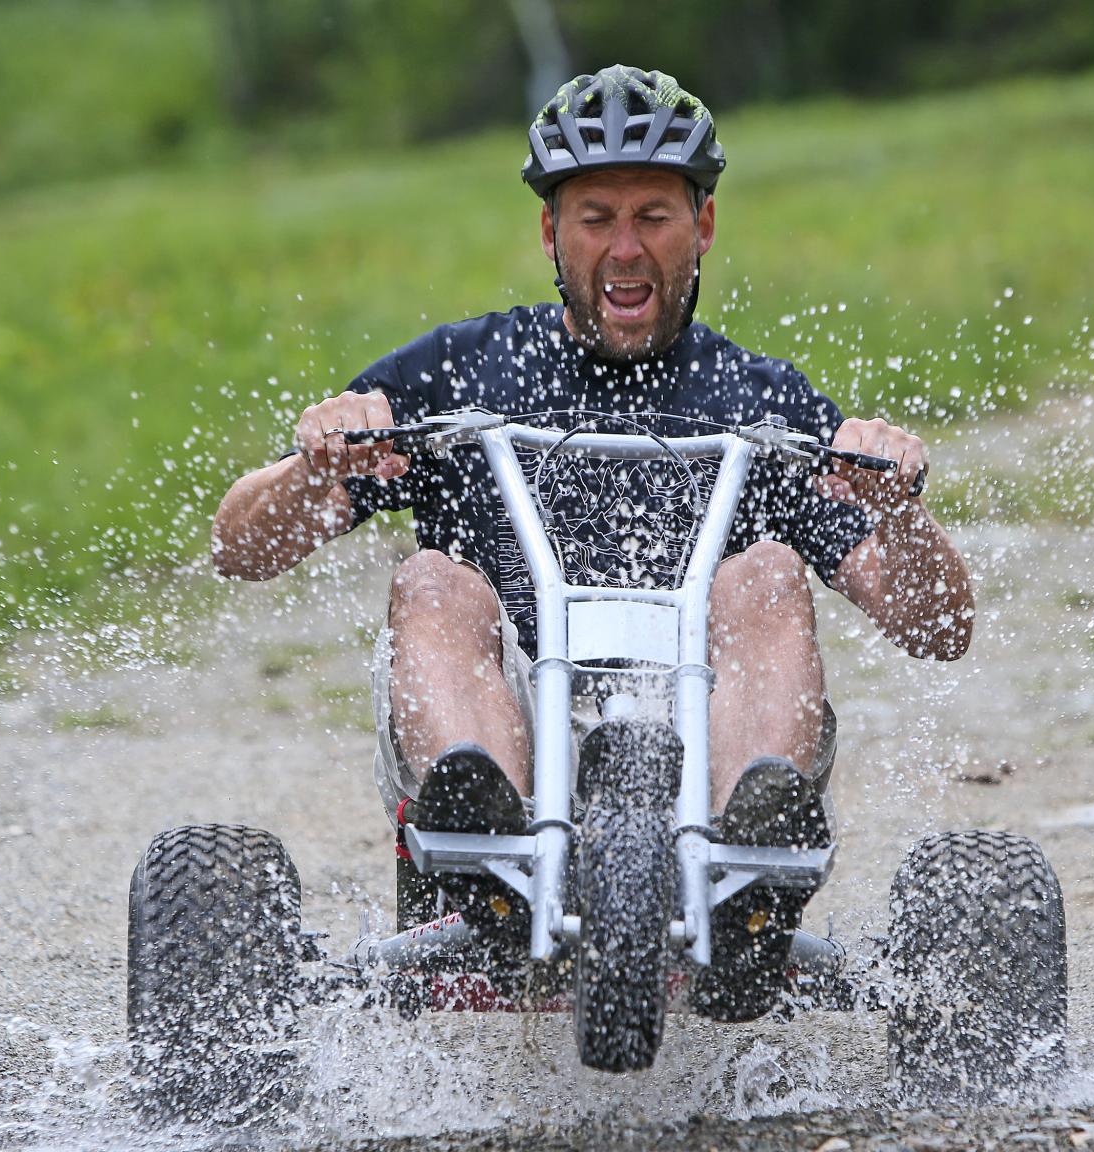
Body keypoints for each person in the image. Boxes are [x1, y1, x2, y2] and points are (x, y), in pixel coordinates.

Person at [210, 65, 973, 1020]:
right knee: (433, 580)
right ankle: (492, 862)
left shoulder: (760, 402)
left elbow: (939, 627)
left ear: (703, 225)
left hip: (708, 741)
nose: (625, 249)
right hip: (505, 729)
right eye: (596, 218)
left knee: (769, 574)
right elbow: (241, 548)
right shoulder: (465, 372)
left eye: (653, 216)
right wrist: (314, 464)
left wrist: (900, 508)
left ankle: (747, 881)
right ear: (550, 232)